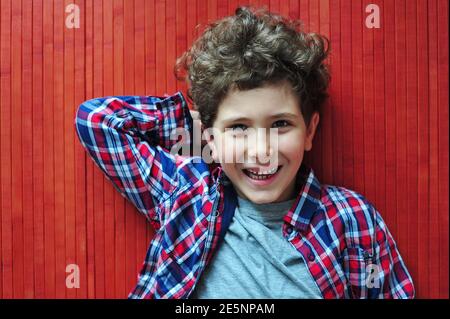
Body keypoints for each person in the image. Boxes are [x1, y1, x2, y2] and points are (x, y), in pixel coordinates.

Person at [74, 6, 414, 299]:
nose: (261, 150)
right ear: (209, 136)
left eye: (280, 124)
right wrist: (202, 129)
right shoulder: (187, 192)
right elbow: (98, 121)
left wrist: (223, 134)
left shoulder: (351, 219)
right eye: (239, 127)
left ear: (309, 131)